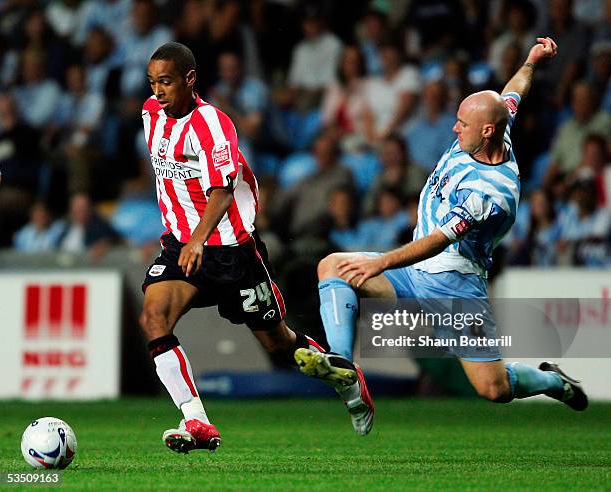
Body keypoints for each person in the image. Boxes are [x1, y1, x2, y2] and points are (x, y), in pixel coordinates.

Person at [295, 37, 589, 413]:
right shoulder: (496, 127)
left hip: (454, 286)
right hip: (416, 273)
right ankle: (342, 365)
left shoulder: (491, 191)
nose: (454, 129)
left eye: (462, 124)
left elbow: (439, 240)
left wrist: (381, 261)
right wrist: (531, 61)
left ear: (486, 131)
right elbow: (512, 92)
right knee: (333, 266)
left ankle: (555, 383)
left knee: (493, 389)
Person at [139, 42, 374, 455]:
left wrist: (199, 239)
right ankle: (196, 420)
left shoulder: (213, 125)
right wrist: (187, 239)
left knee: (279, 345)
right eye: (153, 81)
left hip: (231, 252)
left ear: (190, 79)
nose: (158, 90)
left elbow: (222, 190)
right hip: (181, 247)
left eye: (166, 81)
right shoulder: (150, 114)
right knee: (154, 317)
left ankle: (348, 379)